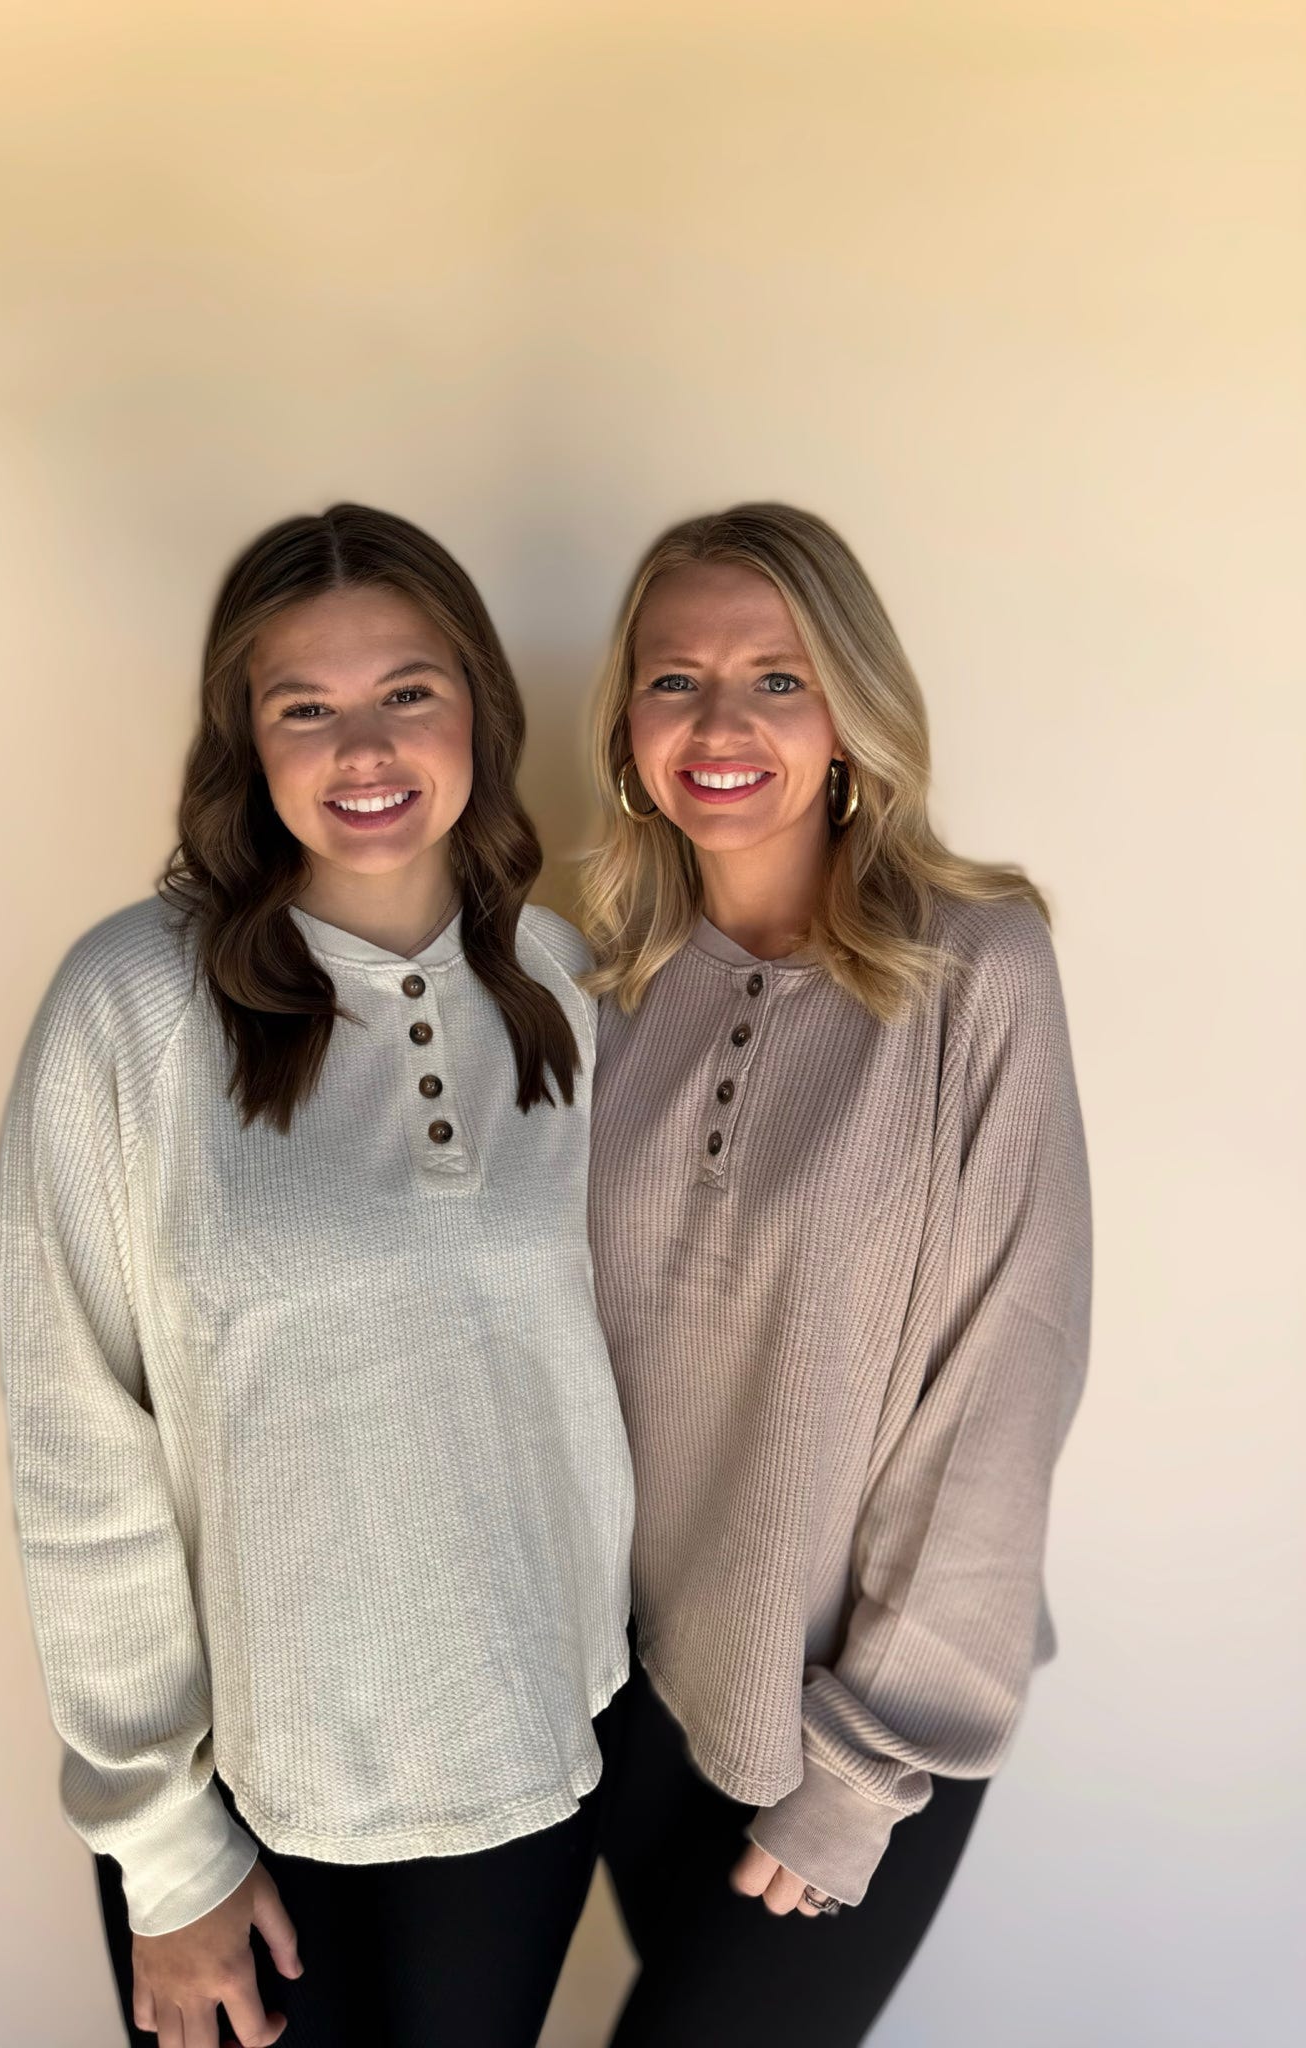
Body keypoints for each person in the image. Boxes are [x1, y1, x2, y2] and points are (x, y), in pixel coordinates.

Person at [0, 503, 634, 2048]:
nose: (365, 749)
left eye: (408, 691)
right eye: (305, 708)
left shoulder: (564, 980)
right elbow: (77, 1447)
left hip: (526, 1758)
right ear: (246, 743)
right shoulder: (130, 1004)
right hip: (253, 1808)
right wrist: (165, 1853)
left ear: (478, 707)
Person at [578, 502, 1092, 2045]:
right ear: (627, 730)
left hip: (867, 1716)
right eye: (674, 681)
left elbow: (1009, 1376)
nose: (720, 725)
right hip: (634, 1705)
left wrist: (862, 1770)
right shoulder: (585, 986)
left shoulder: (975, 966)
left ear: (850, 714)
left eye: (777, 679)